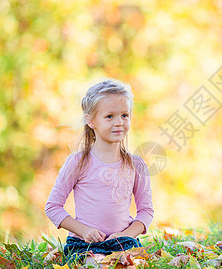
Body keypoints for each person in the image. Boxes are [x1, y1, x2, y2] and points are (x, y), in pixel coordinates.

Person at [45, 79, 154, 265]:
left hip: (124, 241)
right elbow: (53, 207)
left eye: (124, 115)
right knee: (96, 264)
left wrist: (124, 235)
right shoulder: (78, 162)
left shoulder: (136, 165)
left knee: (127, 265)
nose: (119, 122)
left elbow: (146, 211)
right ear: (91, 120)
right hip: (85, 243)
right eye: (110, 116)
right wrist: (84, 230)